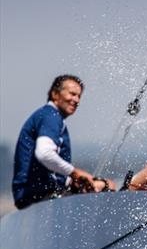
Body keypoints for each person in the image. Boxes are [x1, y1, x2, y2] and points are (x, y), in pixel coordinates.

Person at [12, 75, 114, 209]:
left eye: (79, 96)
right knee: (107, 186)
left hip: (32, 196)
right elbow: (44, 153)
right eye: (72, 94)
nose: (76, 100)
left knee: (102, 184)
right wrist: (74, 173)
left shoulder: (46, 115)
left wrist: (70, 181)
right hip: (38, 197)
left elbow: (46, 170)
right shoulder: (51, 116)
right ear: (55, 94)